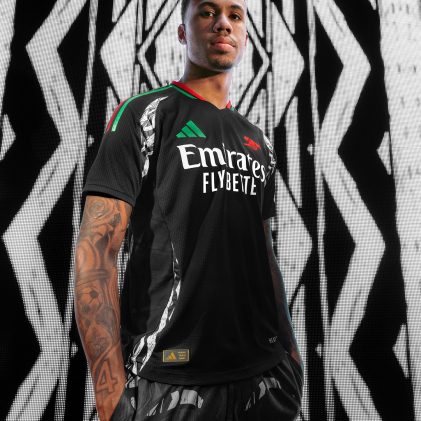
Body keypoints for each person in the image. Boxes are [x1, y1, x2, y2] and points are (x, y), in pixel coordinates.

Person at [74, 0, 303, 419]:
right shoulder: (143, 114)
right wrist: (109, 395)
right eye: (207, 12)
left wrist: (291, 355)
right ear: (182, 32)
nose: (223, 24)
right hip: (171, 379)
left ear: (245, 37)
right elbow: (97, 251)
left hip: (263, 379)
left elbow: (265, 254)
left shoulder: (258, 141)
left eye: (235, 15)